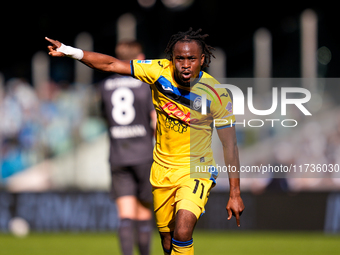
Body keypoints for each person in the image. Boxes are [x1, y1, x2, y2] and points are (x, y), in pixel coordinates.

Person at [46, 27, 245, 255]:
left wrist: (235, 193)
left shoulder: (217, 94)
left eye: (192, 58)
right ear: (172, 59)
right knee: (169, 242)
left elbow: (230, 144)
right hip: (161, 171)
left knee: (183, 230)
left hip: (196, 170)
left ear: (202, 59)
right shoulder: (157, 71)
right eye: (180, 58)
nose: (186, 64)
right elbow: (111, 64)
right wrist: (70, 51)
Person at [96, 40, 156, 255]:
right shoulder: (145, 86)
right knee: (143, 215)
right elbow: (155, 121)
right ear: (137, 58)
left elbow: (105, 118)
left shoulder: (104, 86)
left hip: (118, 155)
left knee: (125, 215)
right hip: (143, 155)